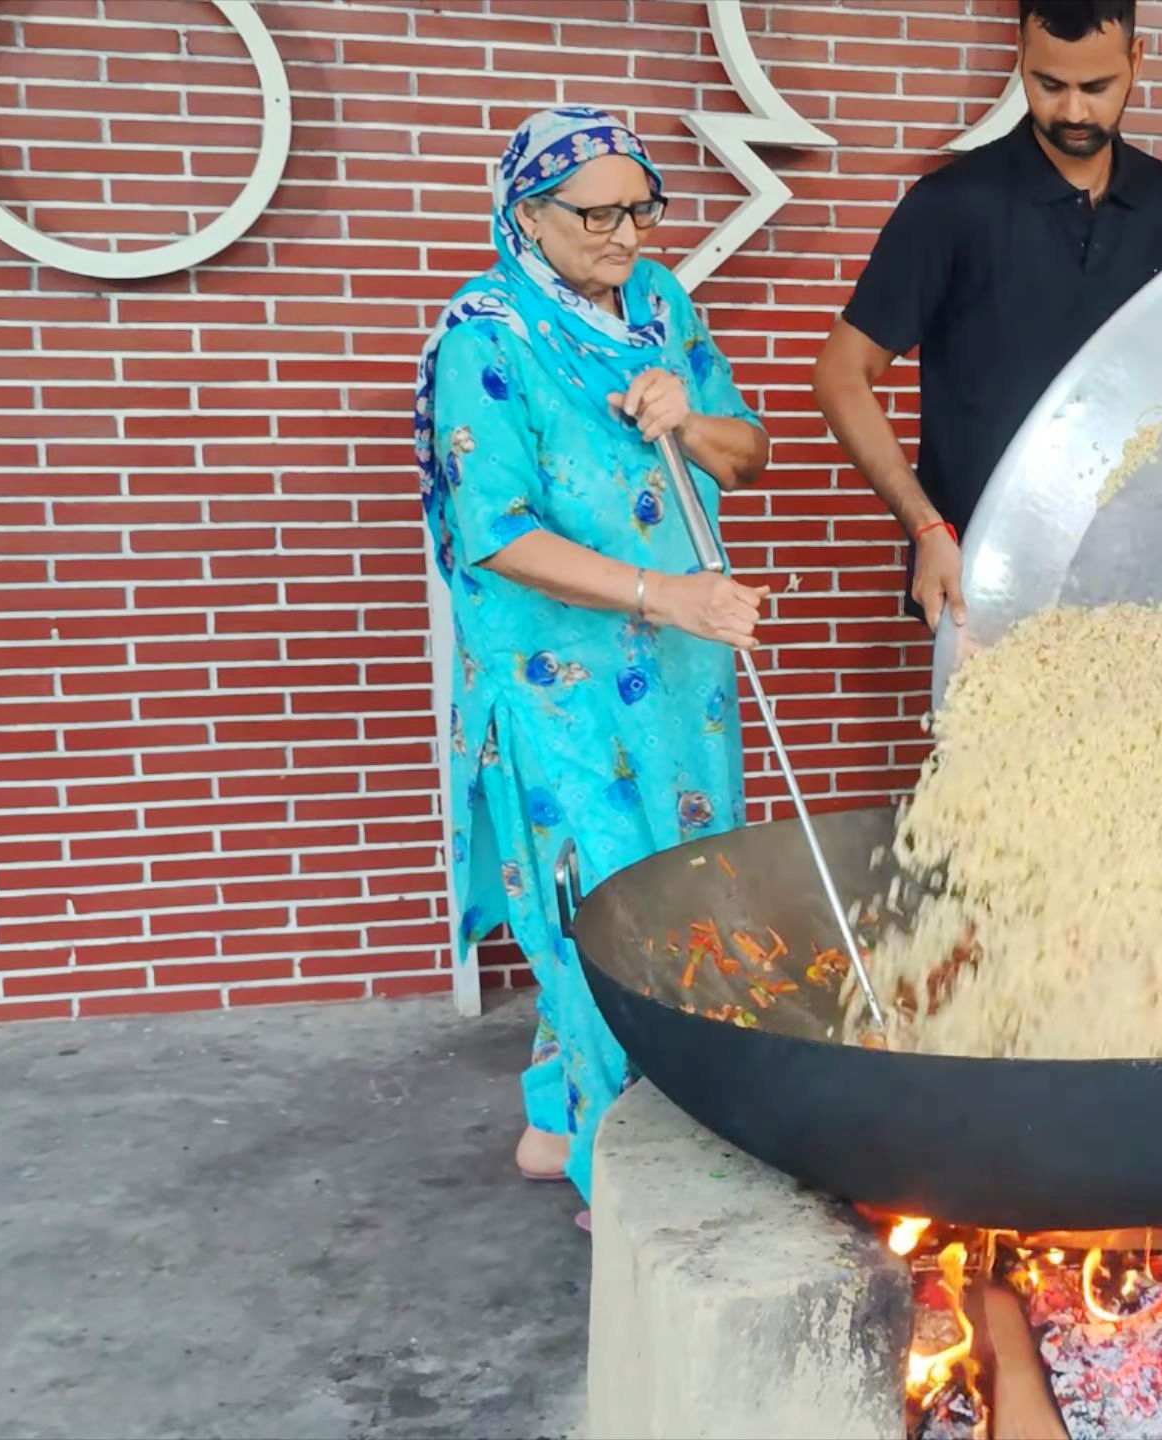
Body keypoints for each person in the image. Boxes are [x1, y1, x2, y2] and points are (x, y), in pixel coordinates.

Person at [415, 106, 773, 1223]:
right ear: (528, 212)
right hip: (557, 683)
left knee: (683, 880)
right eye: (598, 214)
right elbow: (495, 531)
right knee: (604, 901)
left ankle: (558, 1113)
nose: (625, 234)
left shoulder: (660, 303)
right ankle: (624, 1175)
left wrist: (688, 414)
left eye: (641, 208)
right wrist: (667, 592)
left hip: (678, 670)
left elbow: (745, 451)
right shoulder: (485, 337)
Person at [813, 0, 1162, 632]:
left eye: (1097, 87)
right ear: (1020, 58)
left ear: (1137, 60)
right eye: (1050, 84)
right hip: (988, 589)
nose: (1073, 111)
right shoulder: (952, 205)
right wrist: (927, 525)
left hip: (1150, 590)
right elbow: (839, 375)